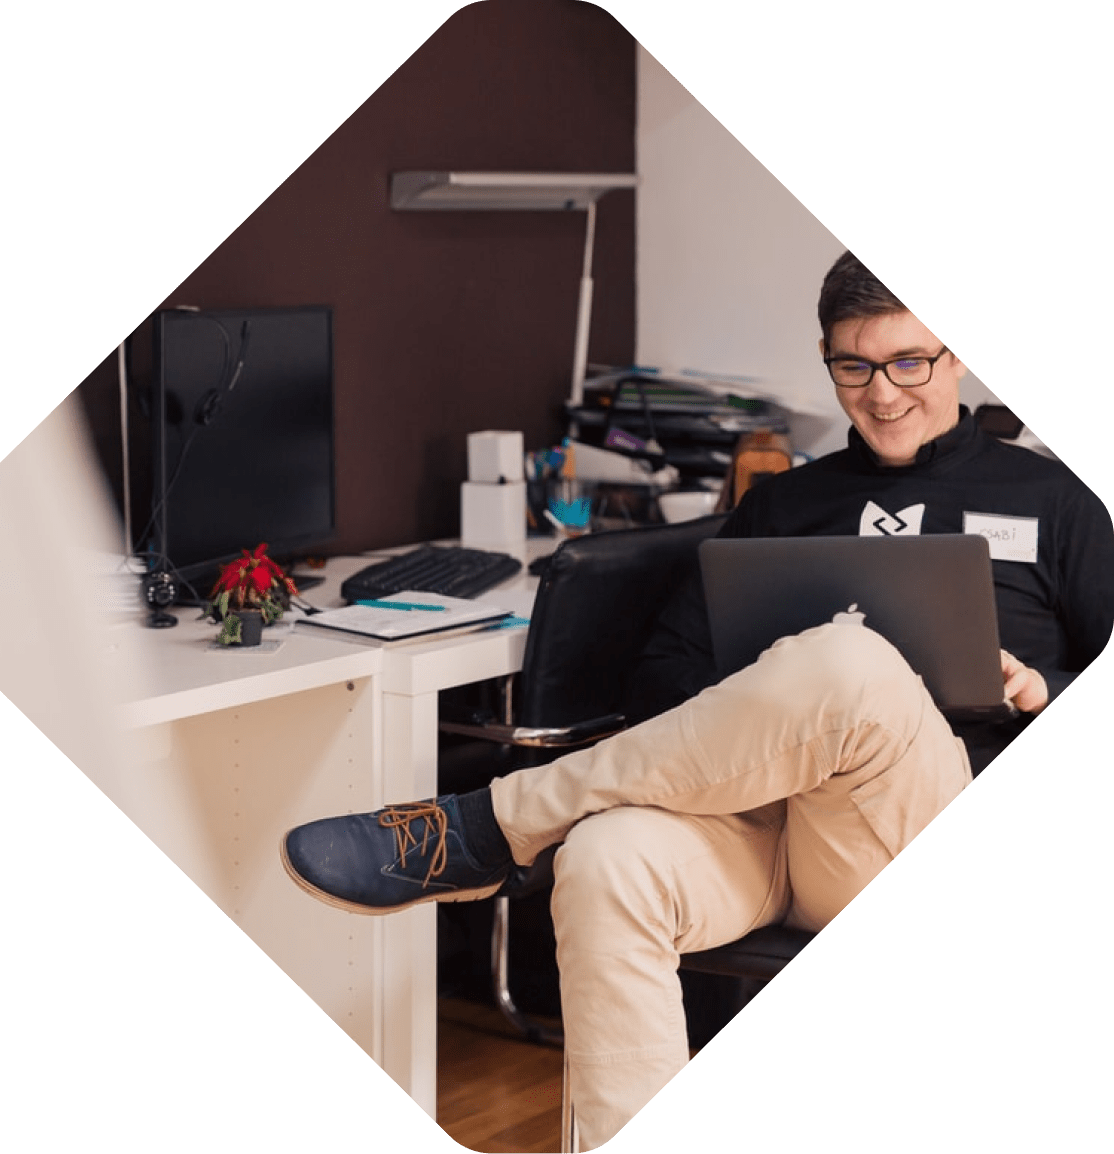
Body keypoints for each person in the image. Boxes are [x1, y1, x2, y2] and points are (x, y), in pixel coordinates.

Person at [282, 252, 1114, 1150]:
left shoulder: (1057, 501)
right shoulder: (783, 504)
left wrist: (1039, 689)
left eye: (909, 361)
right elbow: (663, 676)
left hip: (915, 829)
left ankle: (491, 826)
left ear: (957, 358)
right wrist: (761, 698)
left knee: (852, 663)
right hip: (763, 824)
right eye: (854, 366)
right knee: (607, 856)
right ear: (829, 361)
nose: (882, 394)